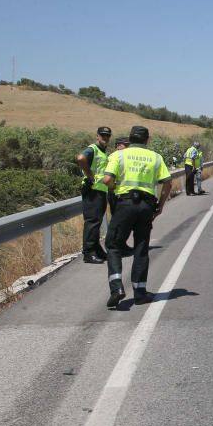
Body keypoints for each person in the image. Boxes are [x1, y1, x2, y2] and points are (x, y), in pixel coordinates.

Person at [101, 125, 172, 308]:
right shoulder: (156, 157)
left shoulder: (118, 155)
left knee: (113, 245)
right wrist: (160, 206)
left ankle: (117, 288)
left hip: (125, 204)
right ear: (147, 140)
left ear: (130, 139)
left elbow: (107, 180)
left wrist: (114, 189)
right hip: (147, 206)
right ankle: (140, 293)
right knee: (141, 248)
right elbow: (167, 183)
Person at [75, 126, 112, 263]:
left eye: (107, 135)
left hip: (100, 190)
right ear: (97, 136)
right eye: (102, 135)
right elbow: (80, 158)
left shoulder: (103, 151)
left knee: (97, 222)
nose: (105, 137)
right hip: (92, 190)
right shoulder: (93, 149)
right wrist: (90, 175)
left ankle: (96, 249)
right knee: (92, 222)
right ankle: (88, 253)